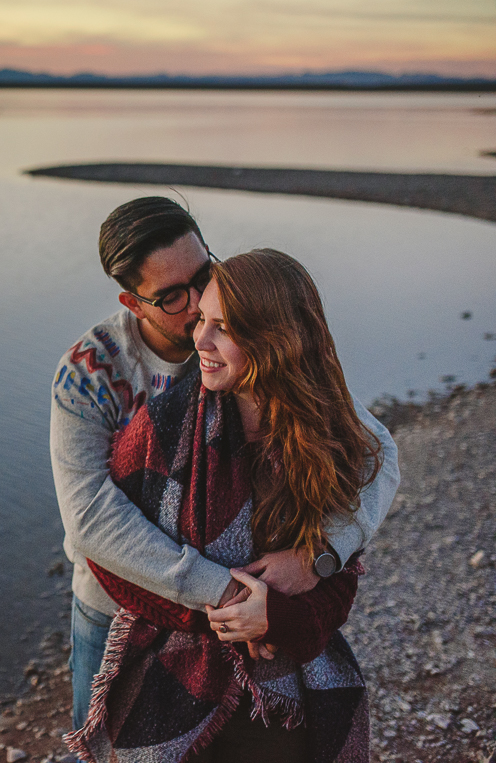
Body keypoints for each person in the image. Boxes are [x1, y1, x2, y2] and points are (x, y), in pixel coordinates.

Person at [50, 197, 400, 729]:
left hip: (251, 607)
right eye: (171, 297)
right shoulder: (90, 373)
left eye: (204, 274)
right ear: (132, 301)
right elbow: (90, 517)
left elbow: (376, 450)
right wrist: (225, 591)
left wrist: (321, 554)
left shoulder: (245, 330)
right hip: (119, 606)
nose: (195, 309)